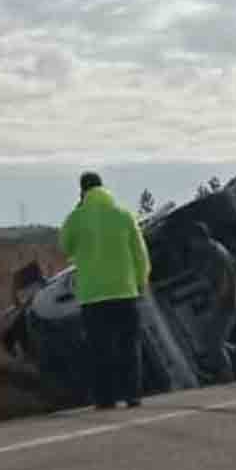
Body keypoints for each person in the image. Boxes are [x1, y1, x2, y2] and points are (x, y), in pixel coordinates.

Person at [59, 172, 151, 410]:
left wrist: (79, 210)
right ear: (103, 187)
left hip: (93, 296)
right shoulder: (124, 215)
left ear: (82, 191)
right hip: (125, 292)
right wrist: (141, 282)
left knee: (100, 349)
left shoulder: (77, 218)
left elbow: (64, 246)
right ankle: (132, 395)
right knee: (129, 346)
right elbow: (140, 253)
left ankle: (105, 398)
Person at [188, 222, 236, 381]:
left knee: (215, 341)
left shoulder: (215, 252)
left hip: (227, 302)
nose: (191, 245)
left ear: (199, 239)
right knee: (210, 338)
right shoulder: (217, 249)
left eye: (192, 240)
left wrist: (216, 303)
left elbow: (223, 280)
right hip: (227, 300)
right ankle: (218, 370)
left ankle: (226, 374)